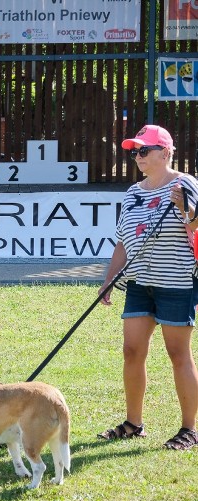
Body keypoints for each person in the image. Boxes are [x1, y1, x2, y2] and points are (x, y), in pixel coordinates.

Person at [97, 124, 198, 451]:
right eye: (134, 151)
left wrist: (185, 208)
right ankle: (133, 423)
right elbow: (123, 240)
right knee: (131, 351)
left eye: (144, 150)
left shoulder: (185, 184)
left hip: (177, 281)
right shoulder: (133, 193)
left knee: (178, 353)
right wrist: (109, 278)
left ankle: (189, 429)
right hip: (140, 282)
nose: (138, 156)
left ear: (166, 152)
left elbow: (195, 223)